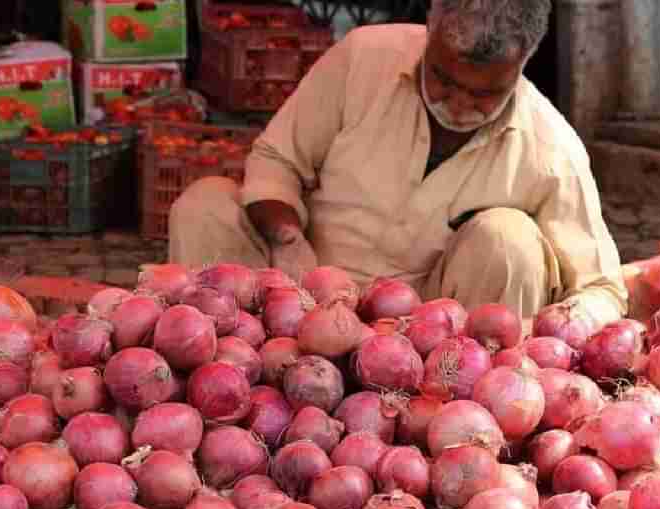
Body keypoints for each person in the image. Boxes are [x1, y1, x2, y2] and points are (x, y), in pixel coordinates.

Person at [168, 0, 626, 326]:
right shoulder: (363, 58)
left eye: (484, 93)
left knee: (511, 240)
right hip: (297, 298)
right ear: (429, 28)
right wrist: (287, 241)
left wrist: (567, 324)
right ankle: (217, 370)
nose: (459, 103)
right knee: (205, 204)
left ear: (523, 65)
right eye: (443, 79)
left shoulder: (551, 147)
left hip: (431, 343)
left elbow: (603, 287)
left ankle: (467, 419)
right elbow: (275, 160)